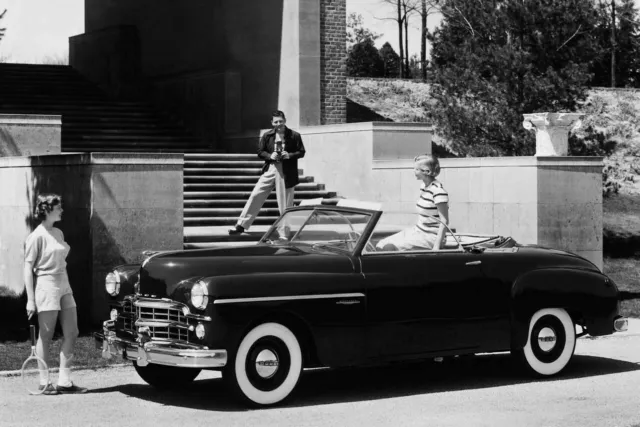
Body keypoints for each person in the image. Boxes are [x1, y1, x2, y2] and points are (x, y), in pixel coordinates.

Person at [24, 194, 87, 394]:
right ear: (48, 210)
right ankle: (44, 382)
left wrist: (66, 285)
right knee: (46, 335)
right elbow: (28, 268)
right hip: (46, 285)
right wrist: (31, 300)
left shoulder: (58, 232)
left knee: (72, 332)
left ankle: (65, 382)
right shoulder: (36, 236)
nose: (61, 210)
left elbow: (62, 261)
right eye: (58, 207)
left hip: (64, 284)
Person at [229, 110, 306, 235]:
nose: (279, 124)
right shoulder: (267, 135)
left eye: (281, 121)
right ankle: (241, 225)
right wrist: (270, 156)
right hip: (271, 168)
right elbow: (260, 152)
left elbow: (301, 152)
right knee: (255, 195)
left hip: (286, 171)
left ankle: (284, 234)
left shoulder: (294, 135)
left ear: (285, 120)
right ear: (272, 123)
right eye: (276, 122)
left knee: (285, 204)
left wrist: (289, 155)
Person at [376, 154, 450, 251]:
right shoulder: (424, 187)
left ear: (426, 171)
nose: (413, 171)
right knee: (381, 244)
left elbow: (444, 221)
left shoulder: (438, 191)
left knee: (388, 247)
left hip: (432, 237)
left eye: (416, 169)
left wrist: (436, 246)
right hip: (418, 231)